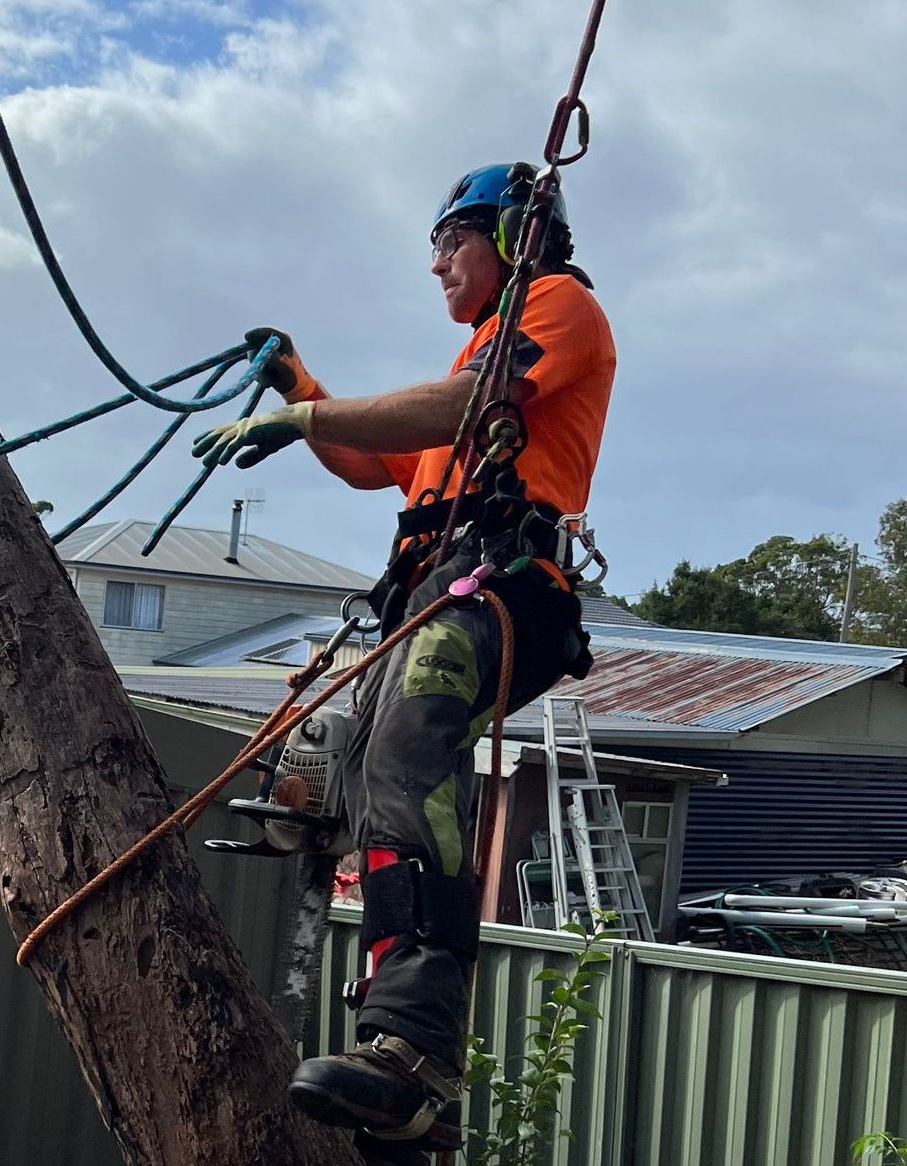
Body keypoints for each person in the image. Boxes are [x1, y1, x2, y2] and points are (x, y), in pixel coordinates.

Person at [191, 162, 616, 1155]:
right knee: (347, 758)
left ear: (513, 237)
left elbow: (451, 410)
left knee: (412, 734)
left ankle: (416, 1045)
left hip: (506, 591)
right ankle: (376, 1012)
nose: (435, 264)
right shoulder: (475, 360)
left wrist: (301, 414)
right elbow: (369, 462)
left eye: (451, 242)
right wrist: (297, 384)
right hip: (429, 599)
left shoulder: (553, 310)